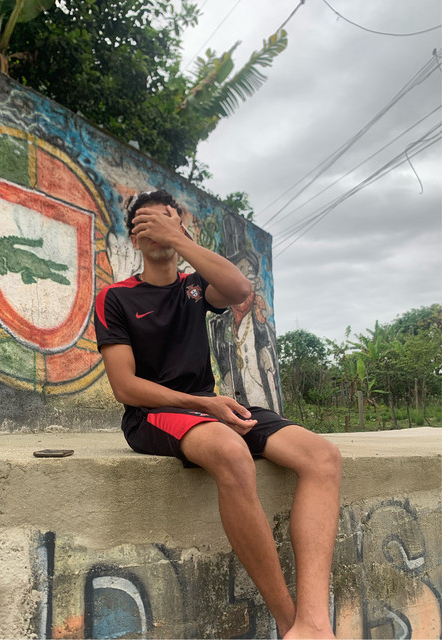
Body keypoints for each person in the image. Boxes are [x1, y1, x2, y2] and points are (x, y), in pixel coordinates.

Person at [94, 189, 342, 639]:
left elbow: (240, 289)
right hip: (153, 414)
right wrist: (204, 404)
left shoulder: (194, 288)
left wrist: (178, 238)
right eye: (146, 222)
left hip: (211, 409)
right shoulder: (115, 297)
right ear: (133, 238)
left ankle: (314, 623)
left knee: (323, 457)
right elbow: (125, 387)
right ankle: (289, 623)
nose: (157, 227)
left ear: (181, 227)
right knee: (230, 451)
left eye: (166, 218)